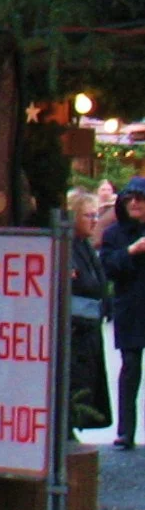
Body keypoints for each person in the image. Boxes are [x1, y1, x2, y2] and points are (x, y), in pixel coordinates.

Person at [97, 180, 145, 448]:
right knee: (130, 369)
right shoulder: (114, 233)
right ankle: (125, 431)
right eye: (130, 199)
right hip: (130, 308)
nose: (135, 204)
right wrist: (131, 251)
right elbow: (107, 267)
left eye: (140, 199)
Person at [68, 186, 113, 435]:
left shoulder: (85, 246)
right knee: (77, 383)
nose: (95, 221)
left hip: (90, 329)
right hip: (76, 330)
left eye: (96, 215)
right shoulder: (69, 247)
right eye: (88, 215)